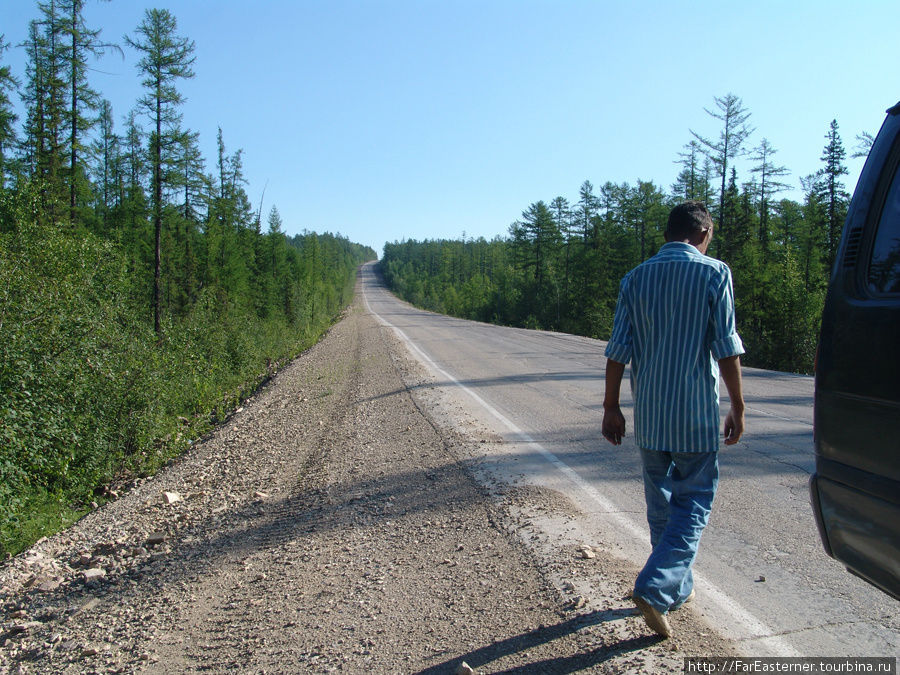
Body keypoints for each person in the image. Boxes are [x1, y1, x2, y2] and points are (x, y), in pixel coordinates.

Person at [601, 200, 745, 638]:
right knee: (695, 503)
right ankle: (656, 587)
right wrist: (738, 405)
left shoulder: (634, 278)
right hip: (695, 418)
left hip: (651, 417)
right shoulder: (713, 272)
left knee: (661, 506)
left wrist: (611, 407)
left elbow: (617, 350)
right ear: (703, 234)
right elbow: (726, 344)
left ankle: (676, 590)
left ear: (668, 234)